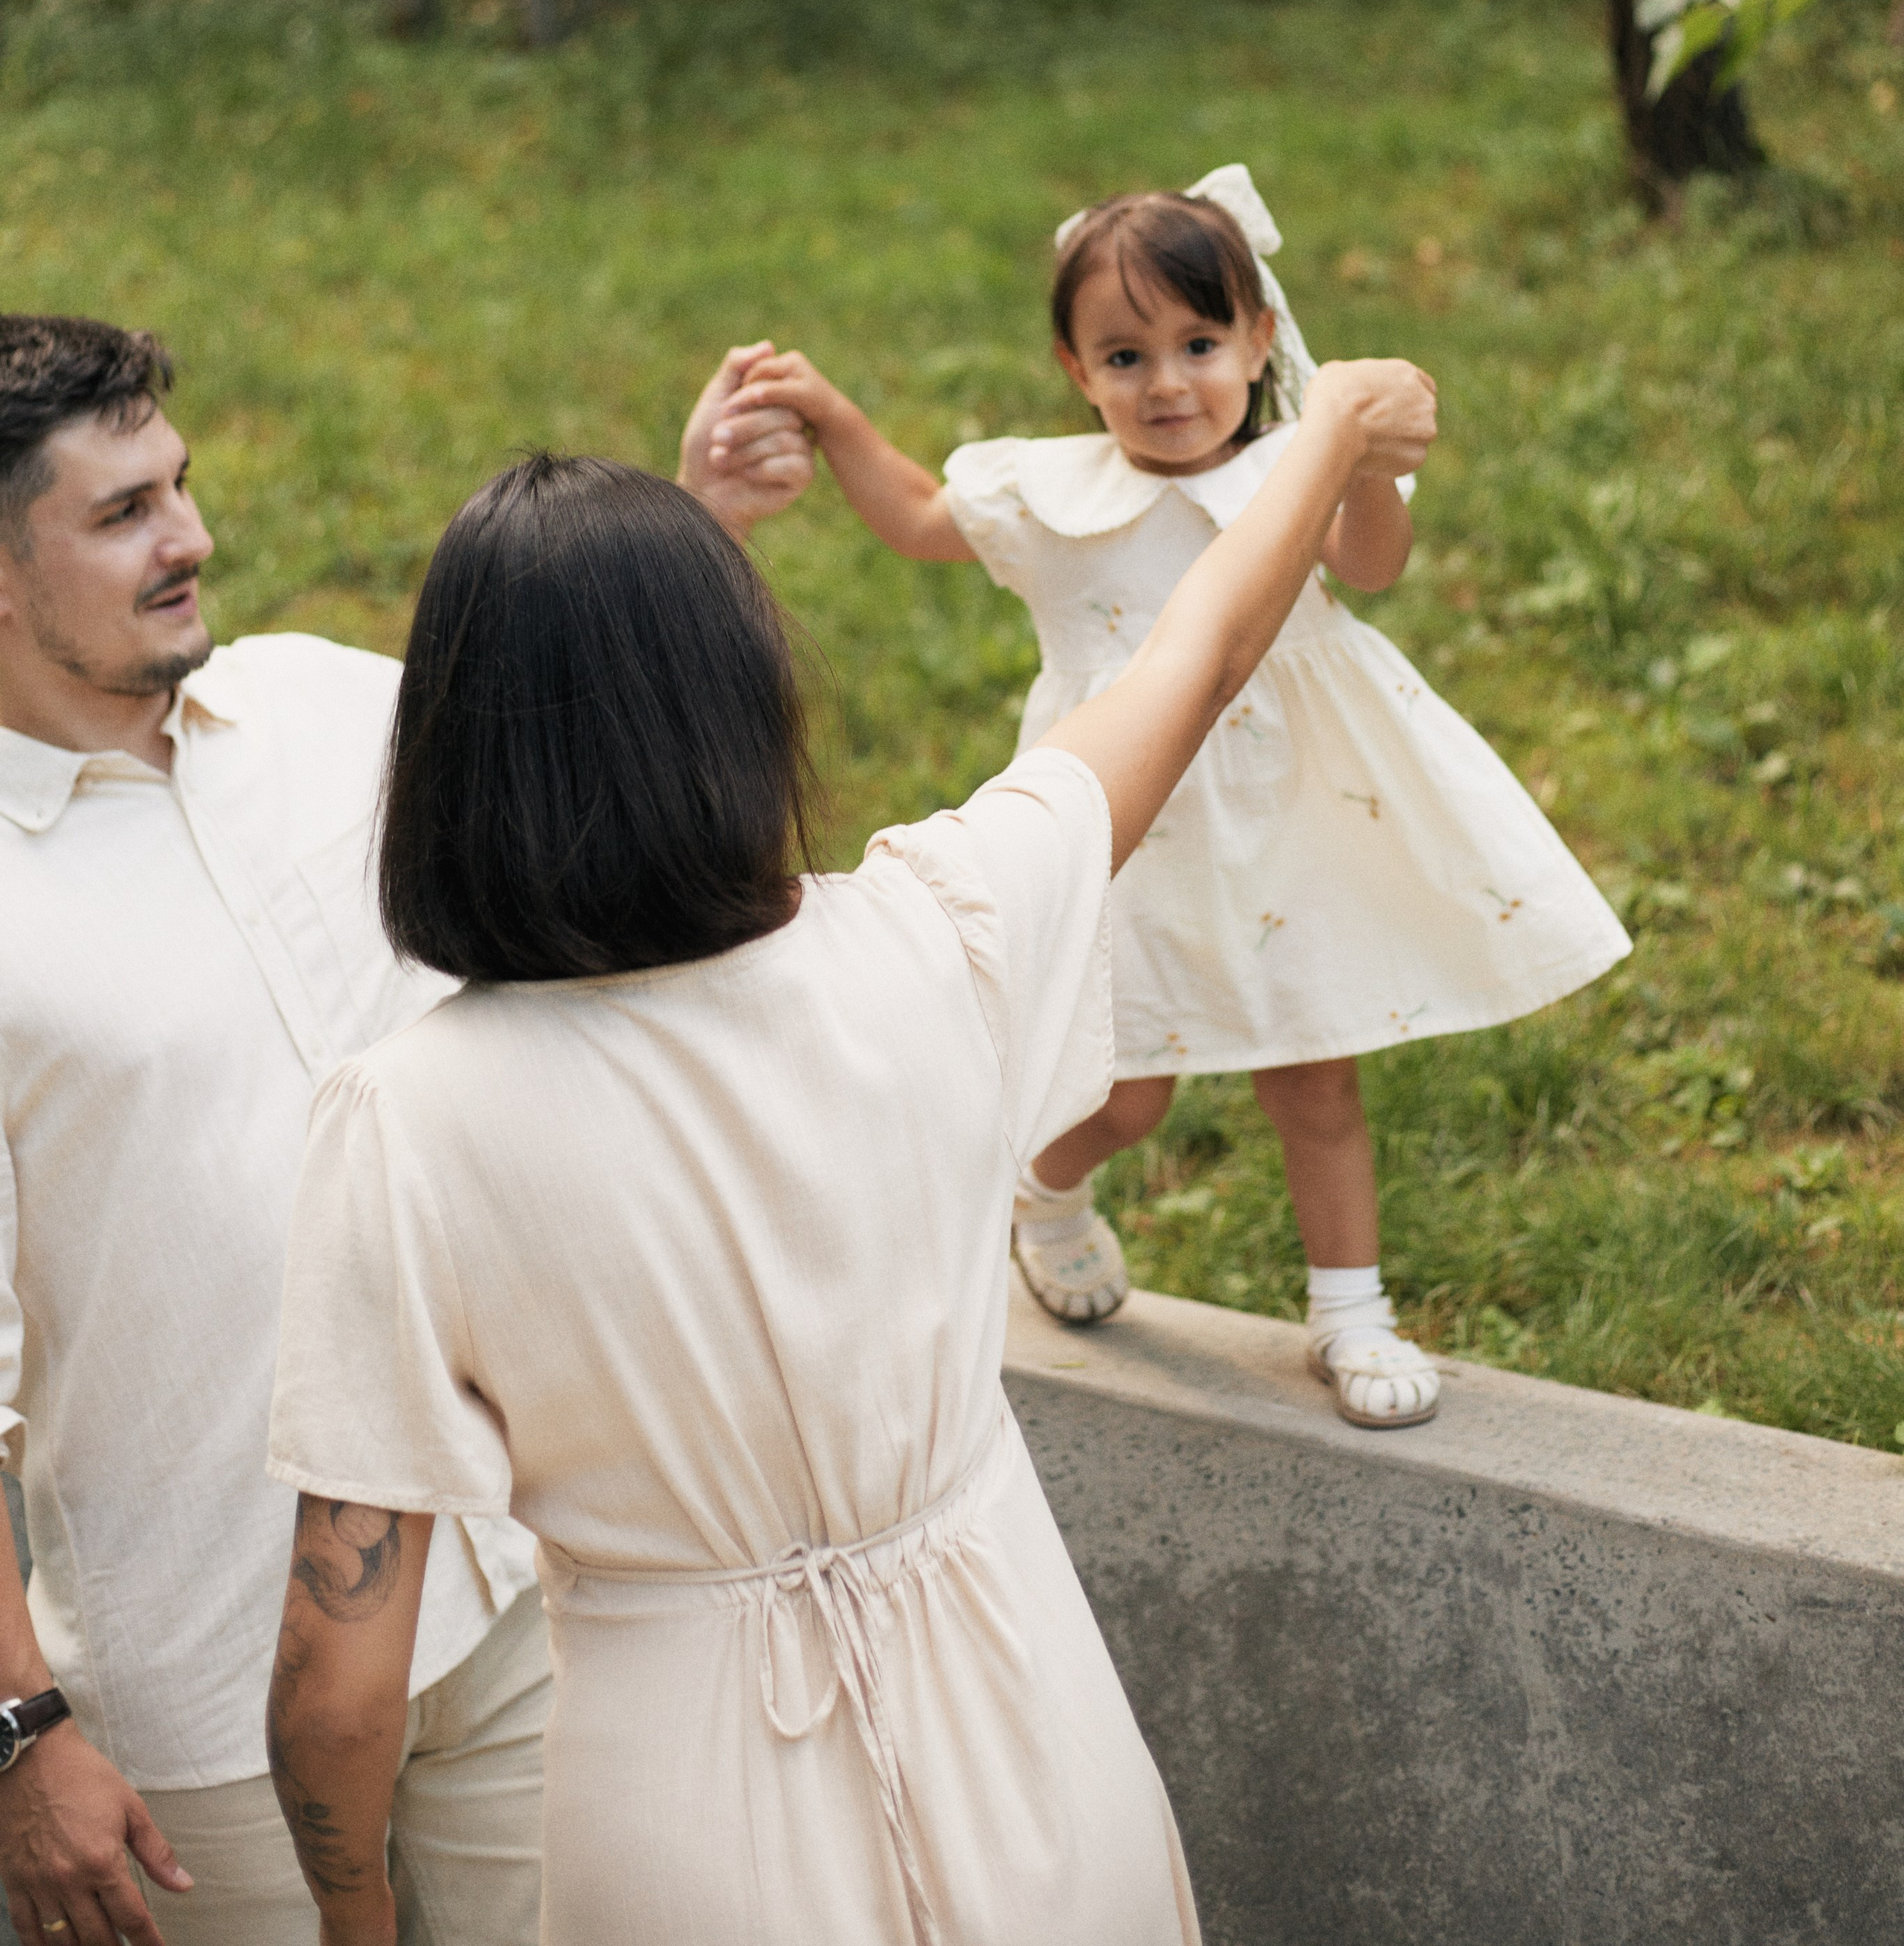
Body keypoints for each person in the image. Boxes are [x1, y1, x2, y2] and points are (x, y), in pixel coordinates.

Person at [260, 350, 1435, 1946]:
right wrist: (1337, 426)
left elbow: (337, 1691)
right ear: (749, 706)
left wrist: (354, 1923)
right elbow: (1202, 649)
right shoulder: (943, 932)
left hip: (678, 1822)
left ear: (452, 758)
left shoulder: (404, 1123)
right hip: (1034, 1736)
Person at [0, 313, 810, 1946]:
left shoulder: (318, 707)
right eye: (125, 513)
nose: (191, 537)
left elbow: (561, 732)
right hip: (205, 1707)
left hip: (513, 1586)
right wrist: (22, 1740)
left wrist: (692, 526)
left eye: (180, 485)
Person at [711, 167, 1631, 1425]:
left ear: (1260, 340)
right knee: (1120, 1092)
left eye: (1201, 344)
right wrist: (829, 413)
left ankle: (1351, 1312)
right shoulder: (1055, 495)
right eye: (1125, 356)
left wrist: (1353, 456)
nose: (1168, 383)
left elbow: (1373, 565)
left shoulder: (1293, 475)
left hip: (1292, 823)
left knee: (1314, 1078)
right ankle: (1045, 1194)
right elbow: (922, 514)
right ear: (1075, 370)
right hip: (1128, 834)